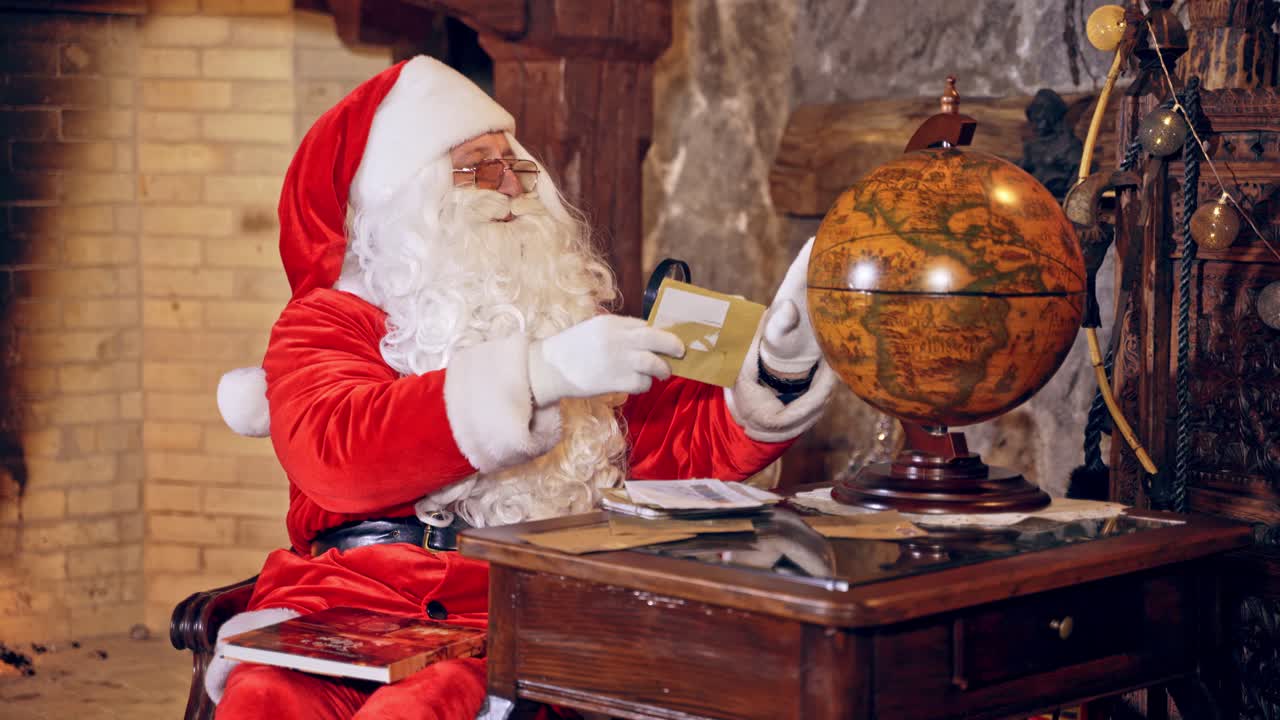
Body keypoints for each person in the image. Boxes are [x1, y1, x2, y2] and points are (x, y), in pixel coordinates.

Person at [207, 55, 835, 720]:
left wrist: (773, 377)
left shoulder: (566, 316)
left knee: (428, 705)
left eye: (518, 167)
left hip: (511, 616)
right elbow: (337, 454)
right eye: (477, 166)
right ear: (407, 198)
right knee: (264, 698)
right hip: (342, 602)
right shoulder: (329, 321)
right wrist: (540, 374)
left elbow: (669, 450)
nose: (509, 184)